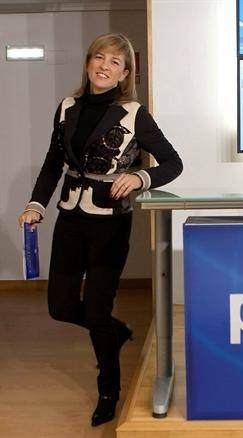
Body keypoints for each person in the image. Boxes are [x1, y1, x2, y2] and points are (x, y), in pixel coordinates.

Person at [18, 33, 183, 427]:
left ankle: (109, 390)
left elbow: (173, 163)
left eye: (114, 62)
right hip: (70, 218)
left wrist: (140, 177)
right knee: (60, 306)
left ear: (125, 73)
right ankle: (116, 331)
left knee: (96, 309)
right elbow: (53, 162)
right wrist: (36, 204)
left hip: (110, 222)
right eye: (99, 57)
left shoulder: (133, 113)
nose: (104, 66)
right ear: (88, 62)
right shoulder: (67, 107)